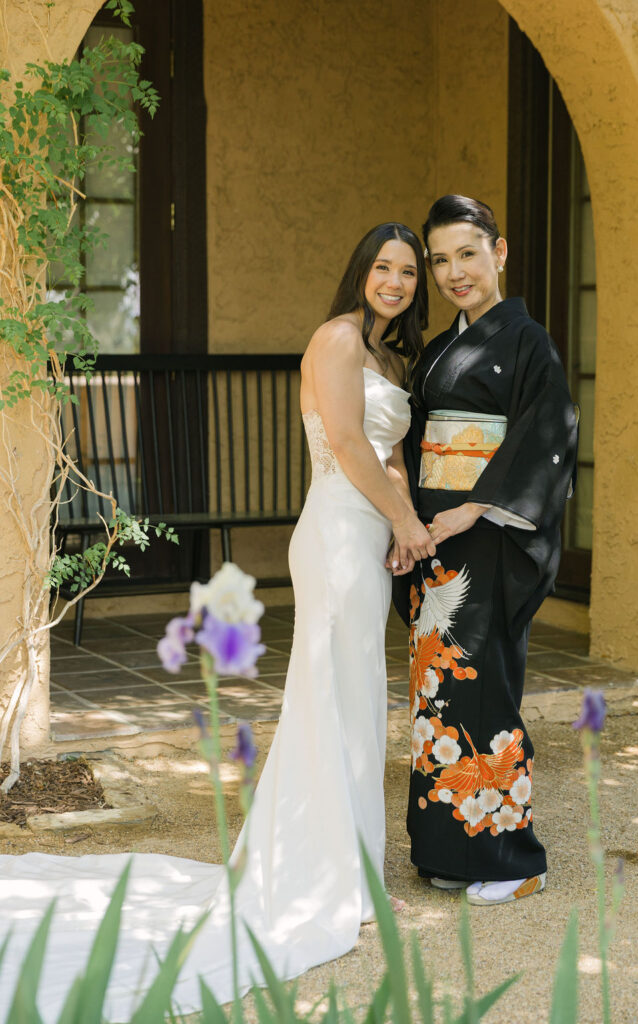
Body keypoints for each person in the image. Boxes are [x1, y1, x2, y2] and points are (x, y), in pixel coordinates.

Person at [0, 223, 434, 1023]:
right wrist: (400, 524)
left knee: (358, 704)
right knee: (330, 703)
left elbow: (392, 455)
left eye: (408, 272)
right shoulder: (336, 339)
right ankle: (326, 871)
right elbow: (344, 440)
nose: (396, 281)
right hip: (337, 535)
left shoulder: (392, 356)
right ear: (360, 271)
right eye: (382, 266)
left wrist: (406, 523)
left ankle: (354, 867)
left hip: (372, 537)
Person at [393, 194, 577, 907]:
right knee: (435, 696)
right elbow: (414, 441)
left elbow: (549, 432)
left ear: (498, 253)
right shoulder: (441, 347)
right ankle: (448, 848)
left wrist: (473, 505)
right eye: (439, 260)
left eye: (466, 254)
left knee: (484, 686)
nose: (452, 272)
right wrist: (410, 520)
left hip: (491, 537)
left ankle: (511, 858)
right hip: (436, 540)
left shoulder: (528, 341)